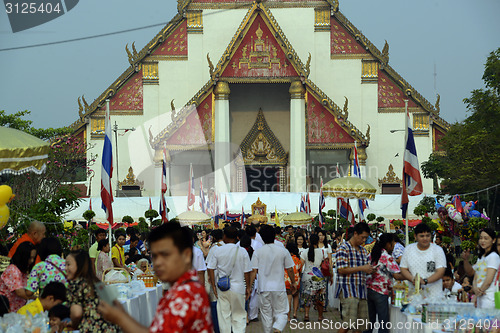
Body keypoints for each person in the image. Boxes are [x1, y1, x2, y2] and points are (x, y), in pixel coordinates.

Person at [98, 221, 213, 333]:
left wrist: (120, 318)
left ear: (186, 255)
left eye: (165, 254)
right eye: (155, 256)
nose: (158, 262)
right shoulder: (184, 288)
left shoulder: (185, 294)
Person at [249, 225, 296, 333]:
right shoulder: (283, 251)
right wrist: (293, 282)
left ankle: (269, 331)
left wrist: (249, 287)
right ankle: (278, 328)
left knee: (266, 315)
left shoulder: (258, 252)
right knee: (282, 312)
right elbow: (289, 269)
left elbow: (253, 271)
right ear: (274, 235)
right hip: (279, 287)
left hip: (263, 287)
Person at [207, 226, 252, 333]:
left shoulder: (217, 251)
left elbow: (210, 268)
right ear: (236, 237)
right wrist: (248, 287)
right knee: (239, 315)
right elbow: (247, 272)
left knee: (224, 316)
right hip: (239, 287)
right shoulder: (242, 251)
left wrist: (213, 285)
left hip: (223, 287)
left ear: (224, 236)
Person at [65, 250, 119, 332]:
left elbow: (76, 313)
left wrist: (73, 324)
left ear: (79, 265)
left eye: (68, 264)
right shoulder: (98, 283)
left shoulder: (75, 285)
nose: (65, 268)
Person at [335, 222, 374, 333]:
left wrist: (370, 269)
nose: (364, 241)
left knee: (361, 326)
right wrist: (362, 268)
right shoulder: (343, 248)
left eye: (366, 238)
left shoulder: (363, 251)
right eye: (363, 238)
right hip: (348, 291)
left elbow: (365, 269)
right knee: (348, 323)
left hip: (361, 291)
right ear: (355, 234)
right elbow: (341, 269)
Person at [366, 233, 404, 333]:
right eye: (392, 244)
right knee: (383, 324)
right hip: (380, 292)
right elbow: (397, 275)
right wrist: (410, 276)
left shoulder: (371, 254)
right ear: (387, 244)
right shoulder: (387, 257)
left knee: (370, 322)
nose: (393, 247)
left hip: (369, 289)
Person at [400, 223, 446, 298]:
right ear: (415, 236)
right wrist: (413, 280)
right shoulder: (408, 249)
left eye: (427, 236)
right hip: (414, 295)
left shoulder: (437, 250)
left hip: (434, 295)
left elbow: (440, 271)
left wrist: (425, 281)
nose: (425, 239)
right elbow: (403, 268)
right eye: (422, 236)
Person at [0, 241, 36, 312]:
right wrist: (38, 299)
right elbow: (20, 292)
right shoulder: (13, 270)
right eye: (30, 258)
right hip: (6, 311)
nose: (32, 261)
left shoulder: (22, 272)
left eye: (33, 258)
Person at [300, 234, 328, 322]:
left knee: (307, 297)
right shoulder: (323, 252)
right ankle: (320, 316)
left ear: (309, 241)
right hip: (319, 277)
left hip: (307, 277)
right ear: (318, 241)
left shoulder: (304, 252)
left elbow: (300, 265)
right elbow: (326, 265)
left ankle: (306, 315)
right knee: (320, 297)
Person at [472, 228, 500, 308]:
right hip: (480, 297)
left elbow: (488, 280)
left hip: (489, 298)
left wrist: (477, 293)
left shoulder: (493, 256)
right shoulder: (481, 257)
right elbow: (475, 277)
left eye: (486, 238)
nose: (482, 241)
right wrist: (475, 289)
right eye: (481, 238)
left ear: (493, 240)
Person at [284, 242, 303, 321]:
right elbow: (300, 270)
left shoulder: (285, 258)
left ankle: (288, 316)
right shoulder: (297, 259)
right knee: (296, 296)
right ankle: (295, 313)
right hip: (296, 280)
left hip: (287, 280)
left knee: (289, 298)